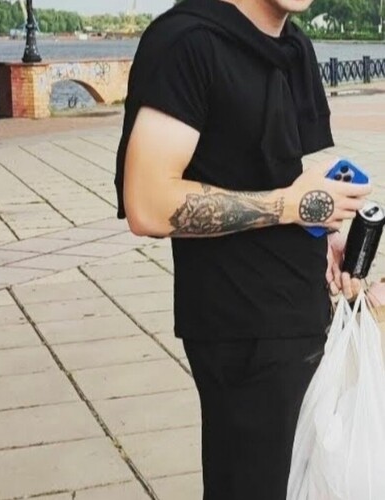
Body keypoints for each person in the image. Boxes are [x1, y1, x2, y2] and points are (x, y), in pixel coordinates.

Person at [115, 0, 372, 498]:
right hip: (240, 332)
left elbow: (286, 173)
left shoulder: (293, 45)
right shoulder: (187, 42)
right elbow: (147, 202)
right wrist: (289, 206)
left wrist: (327, 232)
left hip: (306, 316)